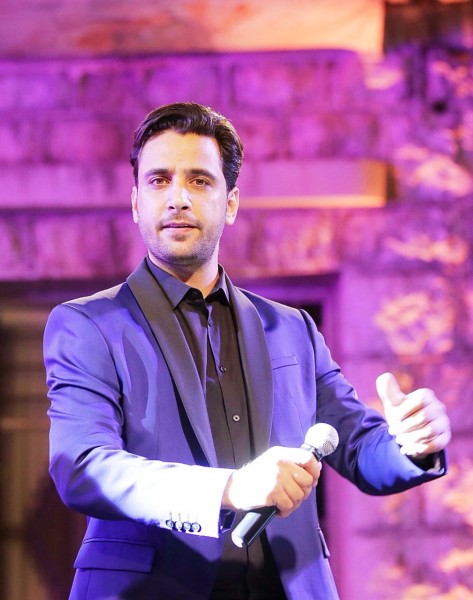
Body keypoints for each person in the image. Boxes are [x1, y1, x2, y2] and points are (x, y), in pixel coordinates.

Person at [44, 102, 451, 600]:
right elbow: (82, 464)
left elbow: (361, 448)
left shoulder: (292, 329)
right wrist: (230, 489)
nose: (177, 198)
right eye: (158, 180)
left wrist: (414, 445)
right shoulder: (88, 325)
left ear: (231, 203)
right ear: (135, 202)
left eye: (199, 181)